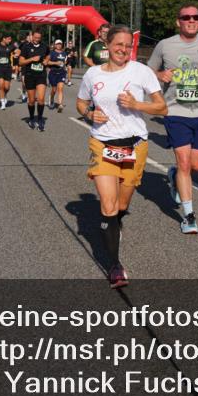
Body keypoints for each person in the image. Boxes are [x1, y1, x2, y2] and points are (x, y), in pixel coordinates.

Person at [77, 25, 167, 287]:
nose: (123, 49)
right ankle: (115, 265)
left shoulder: (141, 71)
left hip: (134, 145)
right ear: (108, 45)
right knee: (108, 205)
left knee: (121, 205)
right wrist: (89, 113)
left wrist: (137, 104)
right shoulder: (93, 74)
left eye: (128, 46)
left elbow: (162, 108)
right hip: (102, 143)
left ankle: (114, 224)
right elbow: (81, 102)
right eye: (119, 44)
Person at [147, 5, 198, 234]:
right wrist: (160, 74)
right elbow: (148, 70)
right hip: (175, 113)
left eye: (195, 17)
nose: (191, 20)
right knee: (184, 162)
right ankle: (189, 216)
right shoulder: (165, 45)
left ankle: (173, 175)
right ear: (178, 22)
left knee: (195, 166)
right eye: (186, 17)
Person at [19, 30, 49, 130]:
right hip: (30, 75)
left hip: (41, 75)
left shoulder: (44, 46)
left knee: (41, 99)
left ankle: (40, 120)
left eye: (39, 38)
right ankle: (31, 118)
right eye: (35, 38)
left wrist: (46, 60)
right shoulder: (26, 47)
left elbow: (48, 55)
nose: (37, 40)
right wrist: (32, 59)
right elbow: (21, 62)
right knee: (31, 100)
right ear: (32, 36)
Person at [0, 36, 18, 109]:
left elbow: (18, 50)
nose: (10, 40)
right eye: (8, 39)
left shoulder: (11, 46)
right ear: (4, 38)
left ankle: (4, 95)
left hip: (8, 68)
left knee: (6, 87)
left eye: (10, 39)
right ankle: (2, 102)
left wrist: (16, 54)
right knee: (1, 85)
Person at [45, 40, 68, 112]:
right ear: (55, 45)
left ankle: (60, 104)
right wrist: (55, 63)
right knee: (54, 89)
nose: (59, 45)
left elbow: (65, 62)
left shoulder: (64, 53)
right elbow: (46, 62)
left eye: (60, 44)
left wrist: (65, 66)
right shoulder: (51, 53)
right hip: (53, 72)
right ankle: (51, 99)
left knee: (60, 88)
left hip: (62, 72)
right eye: (57, 44)